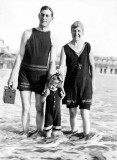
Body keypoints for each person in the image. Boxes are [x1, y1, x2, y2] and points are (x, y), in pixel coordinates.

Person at [7, 6, 57, 137]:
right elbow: (20, 55)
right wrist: (12, 76)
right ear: (38, 15)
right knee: (26, 107)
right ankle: (25, 134)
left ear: (52, 18)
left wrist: (50, 80)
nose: (44, 17)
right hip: (25, 75)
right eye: (42, 15)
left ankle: (38, 134)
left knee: (40, 108)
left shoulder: (53, 37)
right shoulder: (27, 33)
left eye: (47, 15)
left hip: (41, 77)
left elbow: (52, 62)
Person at [59, 21, 96, 140]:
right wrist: (60, 85)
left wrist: (93, 83)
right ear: (71, 32)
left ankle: (87, 139)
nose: (76, 33)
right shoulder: (65, 48)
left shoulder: (88, 47)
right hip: (70, 86)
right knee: (73, 114)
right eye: (74, 31)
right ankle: (74, 138)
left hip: (86, 85)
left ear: (82, 32)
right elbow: (62, 68)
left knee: (85, 114)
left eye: (79, 31)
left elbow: (92, 66)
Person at [41, 72, 65, 137]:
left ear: (58, 85)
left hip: (57, 114)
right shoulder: (47, 90)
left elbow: (62, 98)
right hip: (49, 114)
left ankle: (54, 145)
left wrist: (62, 95)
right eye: (50, 84)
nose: (51, 86)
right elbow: (42, 101)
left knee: (55, 132)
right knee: (47, 133)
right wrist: (45, 95)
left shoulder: (59, 91)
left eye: (53, 85)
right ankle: (47, 144)